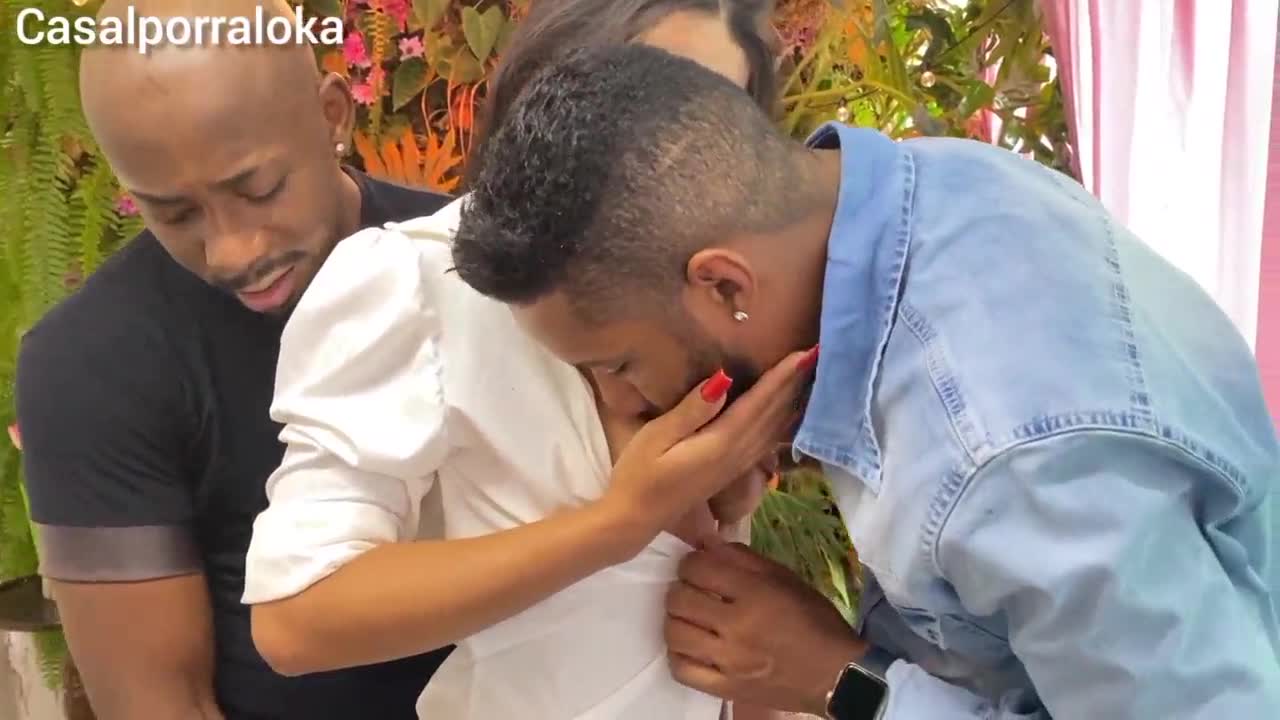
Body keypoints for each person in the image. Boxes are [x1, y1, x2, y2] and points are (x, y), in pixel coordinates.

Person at [450, 43, 1280, 719]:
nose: (618, 405)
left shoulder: (1003, 458)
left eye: (618, 366)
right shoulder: (933, 187)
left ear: (727, 286)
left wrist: (842, 679)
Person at [240, 1, 799, 718]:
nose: (679, 156)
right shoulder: (420, 281)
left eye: (717, 126)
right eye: (648, 107)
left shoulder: (721, 289)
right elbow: (294, 616)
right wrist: (615, 526)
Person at [12, 1, 456, 718]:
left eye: (259, 190)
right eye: (174, 215)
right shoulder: (91, 368)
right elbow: (156, 704)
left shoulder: (476, 263)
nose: (232, 252)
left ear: (334, 114)